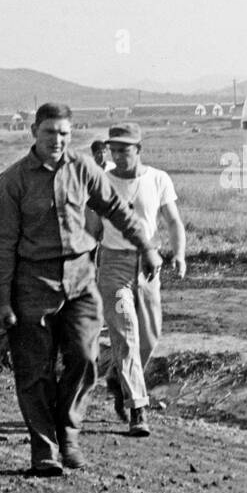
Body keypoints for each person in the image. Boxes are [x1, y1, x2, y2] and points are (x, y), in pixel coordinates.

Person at [0, 103, 161, 476]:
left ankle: (68, 431)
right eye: (50, 132)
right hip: (32, 283)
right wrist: (3, 300)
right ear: (33, 132)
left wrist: (146, 246)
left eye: (65, 133)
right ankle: (44, 449)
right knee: (34, 371)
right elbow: (3, 244)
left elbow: (116, 208)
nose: (58, 140)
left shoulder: (83, 168)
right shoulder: (13, 180)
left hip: (81, 281)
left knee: (85, 358)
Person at [97, 122, 186, 437]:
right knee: (126, 331)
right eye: (114, 150)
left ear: (139, 150)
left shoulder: (158, 179)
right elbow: (90, 225)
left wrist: (179, 254)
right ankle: (137, 408)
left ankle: (115, 377)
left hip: (149, 268)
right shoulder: (102, 182)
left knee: (150, 335)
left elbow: (173, 220)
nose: (119, 156)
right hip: (114, 266)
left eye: (125, 150)